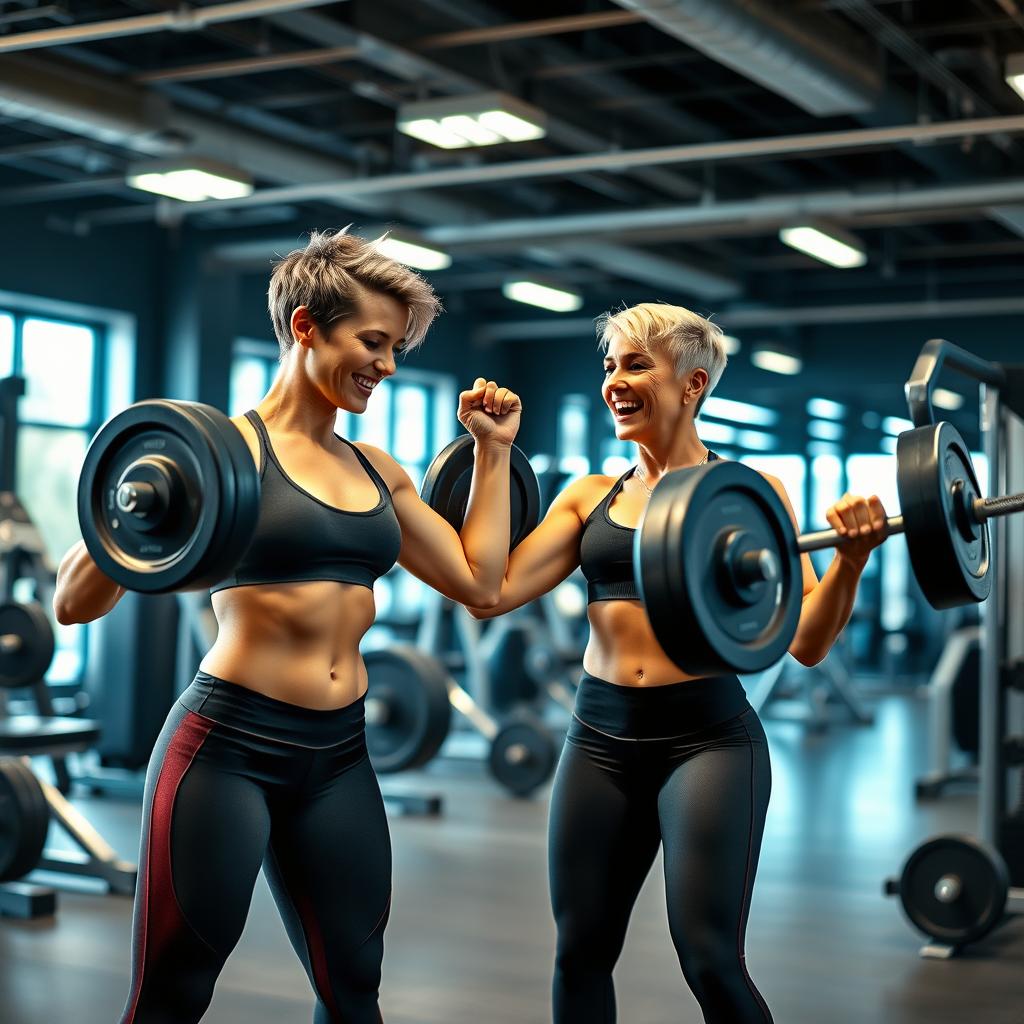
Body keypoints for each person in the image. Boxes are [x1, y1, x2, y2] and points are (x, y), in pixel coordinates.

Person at [53, 229, 522, 1024]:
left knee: (354, 986)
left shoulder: (378, 468)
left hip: (338, 754)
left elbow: (480, 582)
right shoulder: (218, 452)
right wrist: (137, 505)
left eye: (397, 347)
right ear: (307, 326)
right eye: (373, 341)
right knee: (175, 987)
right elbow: (72, 603)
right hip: (227, 746)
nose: (387, 365)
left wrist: (494, 455)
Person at [468, 302, 888, 1024]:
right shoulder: (588, 498)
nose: (615, 381)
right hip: (598, 740)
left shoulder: (749, 498)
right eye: (609, 366)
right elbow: (488, 591)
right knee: (580, 953)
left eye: (637, 365)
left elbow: (808, 643)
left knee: (710, 959)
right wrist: (492, 451)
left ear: (693, 384)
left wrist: (850, 561)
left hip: (707, 743)